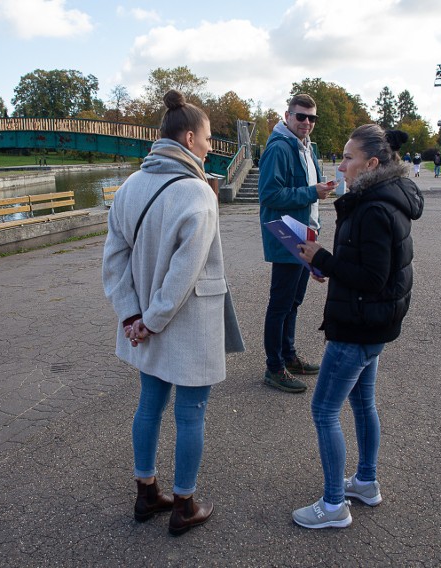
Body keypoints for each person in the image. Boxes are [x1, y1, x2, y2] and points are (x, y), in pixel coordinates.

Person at [102, 90, 245, 536]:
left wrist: (132, 316)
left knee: (149, 405)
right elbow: (186, 273)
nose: (209, 146)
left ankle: (146, 494)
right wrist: (153, 320)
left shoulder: (129, 187)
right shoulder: (198, 194)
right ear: (187, 137)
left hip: (144, 321)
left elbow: (113, 259)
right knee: (190, 414)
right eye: (206, 138)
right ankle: (184, 504)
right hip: (187, 323)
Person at [292, 125, 424, 529]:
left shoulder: (373, 208)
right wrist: (324, 264)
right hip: (374, 322)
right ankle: (365, 482)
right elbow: (369, 272)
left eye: (349, 157)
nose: (341, 164)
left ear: (371, 163)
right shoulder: (383, 197)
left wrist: (325, 260)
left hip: (358, 325)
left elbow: (371, 279)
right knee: (362, 404)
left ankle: (334, 506)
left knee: (324, 410)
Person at [258, 93, 333, 393]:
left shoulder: (306, 147)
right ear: (287, 115)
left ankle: (288, 357)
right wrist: (312, 192)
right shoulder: (279, 148)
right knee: (280, 304)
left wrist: (317, 193)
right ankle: (274, 367)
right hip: (286, 236)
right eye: (300, 116)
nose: (306, 122)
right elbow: (270, 195)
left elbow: (305, 190)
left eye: (311, 118)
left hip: (304, 235)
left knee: (294, 302)